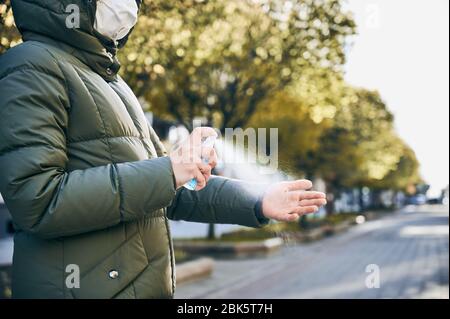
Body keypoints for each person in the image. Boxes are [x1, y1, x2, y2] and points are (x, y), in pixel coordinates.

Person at [0, 0, 327, 299]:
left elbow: (170, 190)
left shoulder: (113, 84)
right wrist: (169, 170)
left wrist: (258, 200)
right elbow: (38, 201)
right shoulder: (30, 65)